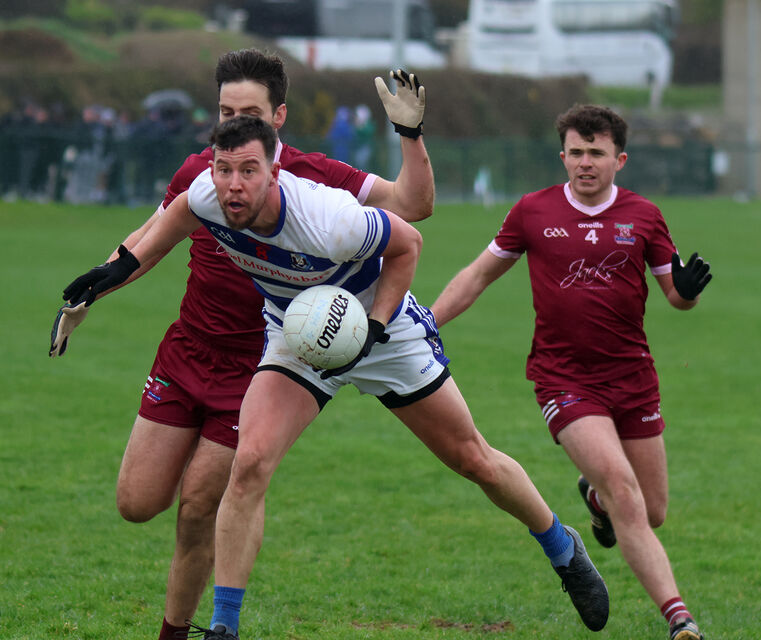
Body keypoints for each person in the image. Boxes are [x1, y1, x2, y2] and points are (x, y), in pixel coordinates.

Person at [62, 115, 610, 639]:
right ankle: (224, 627)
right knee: (250, 463)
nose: (233, 184)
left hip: (384, 329)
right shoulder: (208, 193)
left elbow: (408, 244)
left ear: (275, 170)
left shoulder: (327, 217)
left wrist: (372, 327)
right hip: (299, 334)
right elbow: (175, 218)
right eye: (224, 170)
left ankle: (561, 547)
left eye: (248, 171)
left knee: (473, 458)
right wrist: (113, 272)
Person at [49, 50, 434, 640]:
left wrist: (409, 136)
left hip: (257, 365)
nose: (231, 125)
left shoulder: (316, 178)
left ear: (278, 117)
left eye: (247, 112)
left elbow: (412, 210)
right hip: (187, 351)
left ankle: (185, 627)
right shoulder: (203, 174)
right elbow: (149, 238)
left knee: (202, 504)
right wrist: (91, 291)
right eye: (224, 111)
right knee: (136, 501)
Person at [430, 104, 711, 640]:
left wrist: (689, 291)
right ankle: (680, 620)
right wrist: (427, 322)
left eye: (596, 153)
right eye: (576, 153)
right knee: (626, 492)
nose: (585, 163)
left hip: (634, 378)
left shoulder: (644, 216)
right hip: (564, 380)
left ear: (619, 159)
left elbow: (675, 296)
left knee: (651, 511)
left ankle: (595, 499)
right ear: (563, 156)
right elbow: (478, 275)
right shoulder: (532, 212)